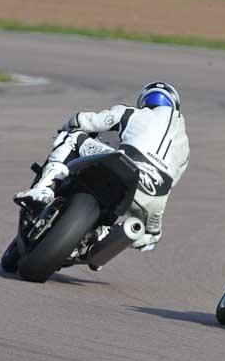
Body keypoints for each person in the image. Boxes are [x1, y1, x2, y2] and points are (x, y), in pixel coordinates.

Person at [14, 82, 190, 252]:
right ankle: (101, 238)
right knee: (148, 237)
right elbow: (172, 181)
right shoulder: (186, 149)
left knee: (73, 136)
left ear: (144, 100)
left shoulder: (132, 113)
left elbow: (83, 121)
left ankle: (44, 190)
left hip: (124, 165)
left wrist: (66, 128)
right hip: (154, 197)